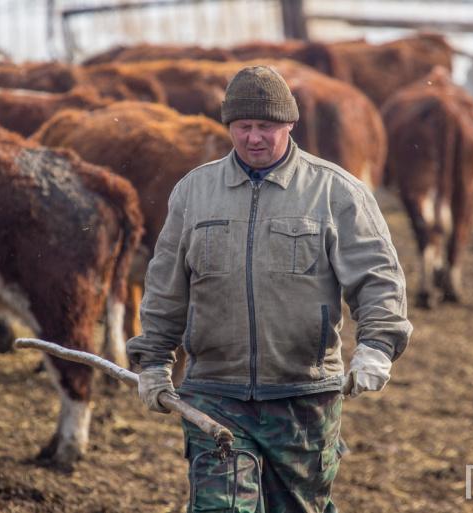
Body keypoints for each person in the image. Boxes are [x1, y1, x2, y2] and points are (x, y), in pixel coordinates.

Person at [127, 65, 412, 513]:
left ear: (290, 124)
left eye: (266, 126)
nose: (254, 138)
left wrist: (377, 346)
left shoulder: (335, 191)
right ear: (228, 126)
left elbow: (377, 277)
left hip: (303, 395)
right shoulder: (194, 192)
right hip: (215, 392)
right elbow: (166, 286)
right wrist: (154, 361)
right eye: (243, 126)